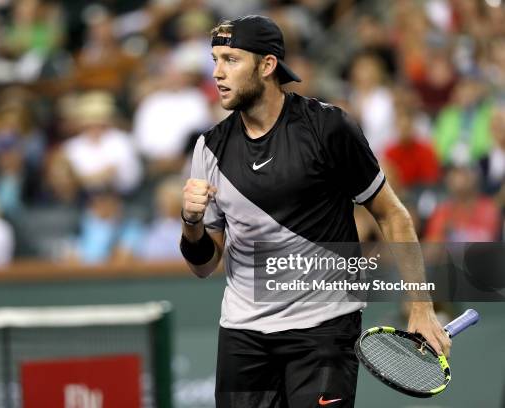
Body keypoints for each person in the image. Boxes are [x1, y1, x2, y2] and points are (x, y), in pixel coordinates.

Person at [180, 15, 451, 408]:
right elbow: (204, 265)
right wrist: (190, 224)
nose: (218, 73)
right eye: (215, 60)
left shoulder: (329, 128)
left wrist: (422, 309)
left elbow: (393, 215)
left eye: (231, 60)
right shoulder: (209, 149)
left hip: (324, 330)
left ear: (267, 65)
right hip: (243, 336)